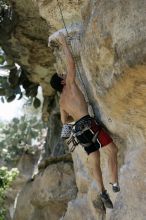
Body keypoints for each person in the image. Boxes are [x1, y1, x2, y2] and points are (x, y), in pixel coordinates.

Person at [50, 33, 120, 209]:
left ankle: (103, 191)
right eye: (63, 75)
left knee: (95, 159)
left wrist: (71, 127)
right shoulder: (71, 84)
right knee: (112, 150)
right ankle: (114, 183)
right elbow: (71, 63)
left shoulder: (62, 102)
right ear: (63, 81)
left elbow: (64, 121)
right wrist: (64, 44)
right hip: (89, 125)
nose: (65, 74)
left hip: (80, 133)